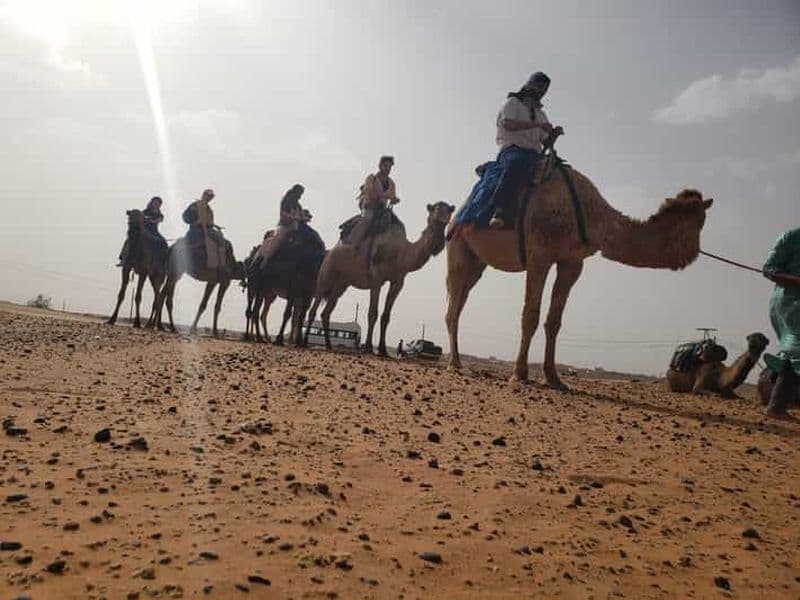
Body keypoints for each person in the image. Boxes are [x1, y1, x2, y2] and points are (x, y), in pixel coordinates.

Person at [488, 71, 563, 229]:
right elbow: (508, 124)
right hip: (512, 150)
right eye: (538, 86)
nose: (541, 91)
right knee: (517, 162)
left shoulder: (541, 114)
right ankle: (500, 209)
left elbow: (546, 143)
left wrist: (554, 135)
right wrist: (536, 125)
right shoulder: (513, 103)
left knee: (561, 173)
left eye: (544, 89)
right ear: (529, 84)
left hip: (535, 154)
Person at [762, 227, 800, 417]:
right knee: (797, 348)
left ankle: (777, 405)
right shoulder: (792, 237)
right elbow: (769, 269)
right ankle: (776, 406)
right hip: (790, 301)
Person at [346, 155, 399, 246]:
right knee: (367, 219)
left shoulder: (392, 183)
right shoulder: (371, 178)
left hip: (382, 209)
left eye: (390, 167)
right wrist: (386, 196)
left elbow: (392, 196)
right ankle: (350, 244)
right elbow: (370, 192)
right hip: (369, 206)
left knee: (396, 223)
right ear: (380, 166)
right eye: (385, 166)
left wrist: (394, 200)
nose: (388, 169)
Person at [255, 184, 305, 270]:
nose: (300, 196)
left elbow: (301, 215)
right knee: (277, 241)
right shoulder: (286, 201)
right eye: (300, 193)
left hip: (298, 226)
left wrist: (303, 218)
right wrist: (294, 218)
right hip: (286, 226)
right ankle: (265, 261)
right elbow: (284, 214)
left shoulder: (298, 205)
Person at [118, 196, 167, 266]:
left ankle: (163, 262)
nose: (156, 204)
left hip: (154, 232)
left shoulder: (160, 214)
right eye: (154, 202)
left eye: (158, 203)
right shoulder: (145, 211)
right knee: (129, 240)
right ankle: (123, 259)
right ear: (151, 203)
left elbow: (160, 220)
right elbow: (140, 216)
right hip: (144, 230)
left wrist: (152, 221)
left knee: (163, 242)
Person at [187, 188, 228, 271]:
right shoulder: (200, 204)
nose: (209, 198)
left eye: (211, 196)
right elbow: (201, 220)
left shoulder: (202, 205)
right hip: (200, 229)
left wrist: (215, 226)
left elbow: (207, 221)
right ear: (204, 195)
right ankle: (222, 265)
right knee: (221, 240)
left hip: (201, 228)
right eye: (208, 196)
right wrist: (205, 230)